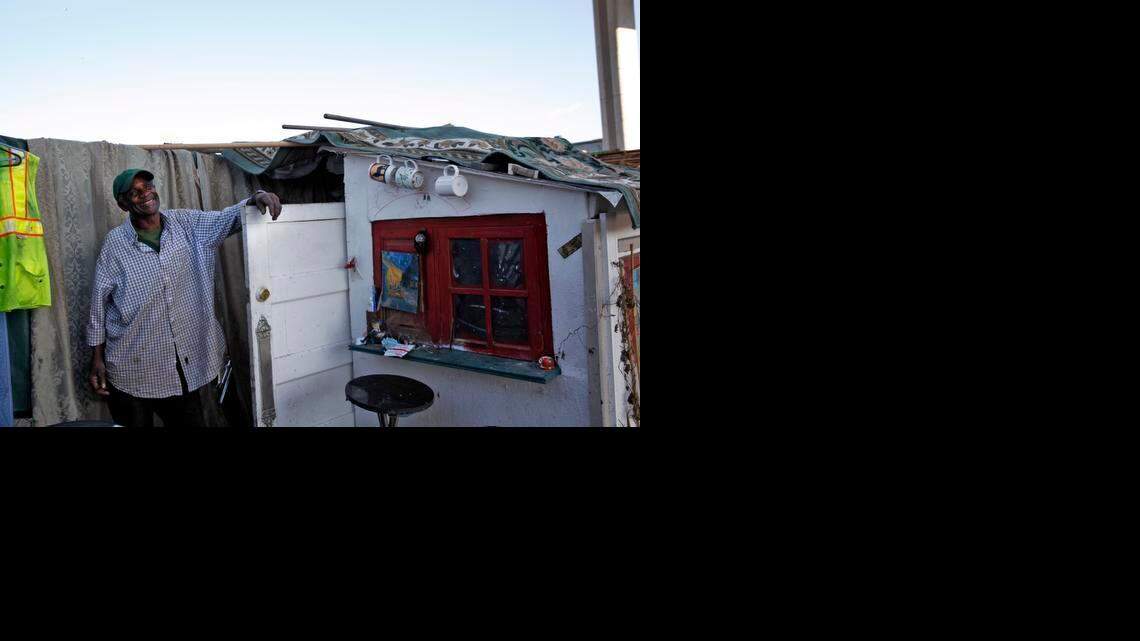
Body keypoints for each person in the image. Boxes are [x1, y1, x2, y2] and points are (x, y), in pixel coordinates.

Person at [85, 168, 282, 427]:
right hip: (132, 366)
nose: (145, 194)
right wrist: (97, 359)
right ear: (123, 204)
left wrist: (256, 198)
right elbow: (98, 306)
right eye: (135, 192)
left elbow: (228, 218)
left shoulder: (187, 224)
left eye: (148, 186)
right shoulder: (114, 245)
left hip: (180, 366)